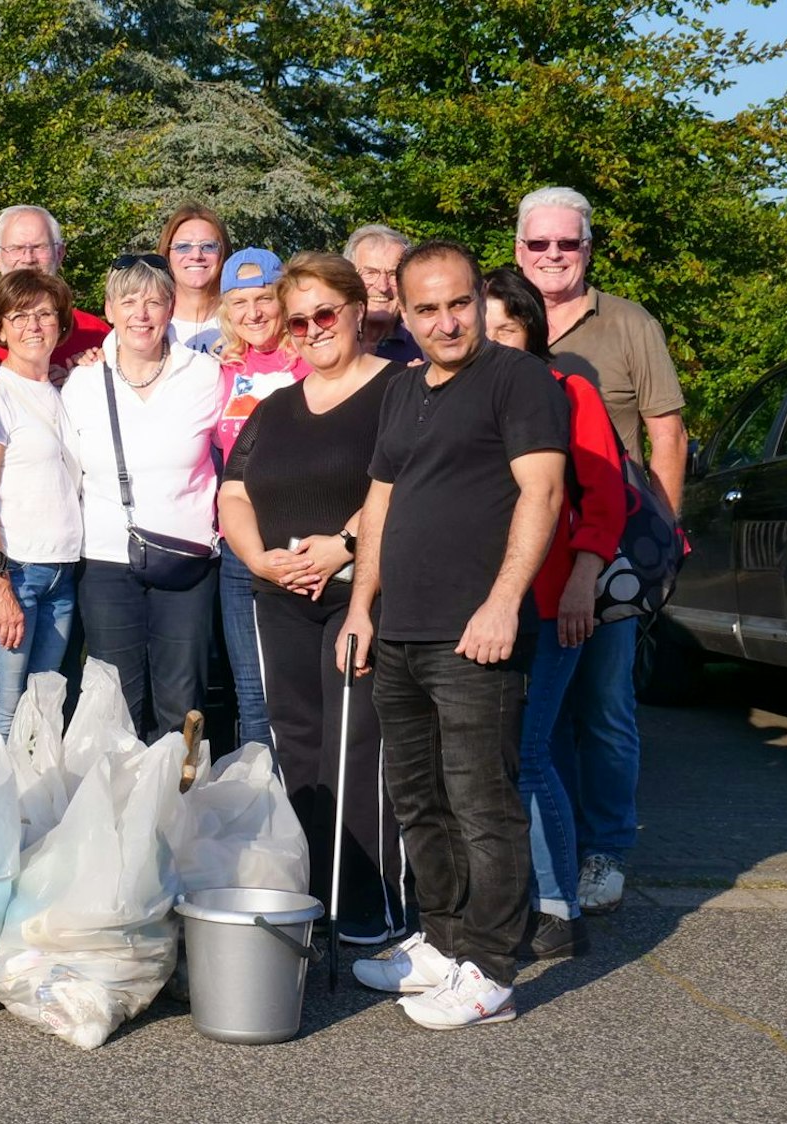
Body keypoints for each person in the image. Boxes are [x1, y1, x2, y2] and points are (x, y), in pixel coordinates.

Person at [340, 241, 569, 1029]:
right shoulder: (404, 392)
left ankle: (493, 970)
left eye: (458, 303)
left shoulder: (521, 381)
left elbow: (541, 491)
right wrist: (361, 606)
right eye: (426, 308)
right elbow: (379, 502)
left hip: (476, 634)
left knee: (483, 802)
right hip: (399, 629)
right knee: (419, 799)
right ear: (402, 314)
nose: (445, 321)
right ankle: (440, 942)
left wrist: (505, 600)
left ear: (480, 298)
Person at [218, 251, 403, 944]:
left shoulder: (398, 391)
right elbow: (233, 490)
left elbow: (406, 483)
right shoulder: (274, 407)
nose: (311, 329)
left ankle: (368, 904)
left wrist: (344, 546)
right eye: (297, 322)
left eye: (324, 313)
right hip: (280, 597)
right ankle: (311, 897)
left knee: (352, 746)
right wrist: (256, 560)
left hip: (362, 592)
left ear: (357, 309)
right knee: (295, 744)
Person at [516, 184, 686, 916]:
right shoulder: (500, 320)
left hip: (608, 551)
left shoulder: (625, 324)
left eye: (566, 243)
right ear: (518, 248)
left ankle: (604, 850)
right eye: (538, 244)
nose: (552, 256)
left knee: (605, 706)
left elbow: (666, 434)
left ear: (587, 248)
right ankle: (552, 847)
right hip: (526, 550)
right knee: (538, 714)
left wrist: (662, 546)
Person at [483, 267, 627, 959]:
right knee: (497, 757)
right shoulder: (460, 394)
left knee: (530, 755)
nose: (492, 342)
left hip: (551, 601)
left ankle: (556, 906)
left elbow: (602, 497)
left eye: (505, 329)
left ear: (530, 331)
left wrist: (582, 579)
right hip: (477, 607)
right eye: (484, 330)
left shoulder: (568, 391)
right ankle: (517, 899)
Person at [60, 254, 224, 740]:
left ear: (171, 308)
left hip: (187, 560)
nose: (142, 314)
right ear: (109, 308)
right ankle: (123, 811)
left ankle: (179, 808)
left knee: (182, 704)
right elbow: (67, 471)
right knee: (117, 705)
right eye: (129, 301)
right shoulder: (82, 382)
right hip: (107, 561)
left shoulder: (205, 375)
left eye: (154, 302)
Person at [0, 269, 84, 736]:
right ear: (1, 327)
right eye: (20, 315)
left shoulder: (62, 393)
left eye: (45, 314)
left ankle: (33, 810)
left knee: (42, 721)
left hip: (62, 574)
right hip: (15, 572)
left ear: (60, 325)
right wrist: (0, 588)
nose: (34, 325)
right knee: (2, 720)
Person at [211, 246, 307, 752]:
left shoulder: (310, 363)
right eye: (239, 301)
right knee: (252, 695)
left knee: (297, 691)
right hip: (238, 551)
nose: (253, 312)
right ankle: (261, 818)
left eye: (264, 298)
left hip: (301, 547)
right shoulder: (222, 369)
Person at [0, 205, 109, 369]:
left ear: (59, 253)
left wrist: (75, 380)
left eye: (39, 247)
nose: (28, 259)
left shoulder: (95, 334)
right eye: (16, 248)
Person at [343, 223, 422, 364]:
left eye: (393, 274)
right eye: (370, 273)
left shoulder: (424, 344)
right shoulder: (328, 339)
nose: (382, 286)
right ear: (349, 277)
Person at [158, 205, 231, 353]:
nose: (196, 255)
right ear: (167, 254)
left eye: (209, 246)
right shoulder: (151, 323)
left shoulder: (244, 322)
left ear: (223, 253)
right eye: (183, 247)